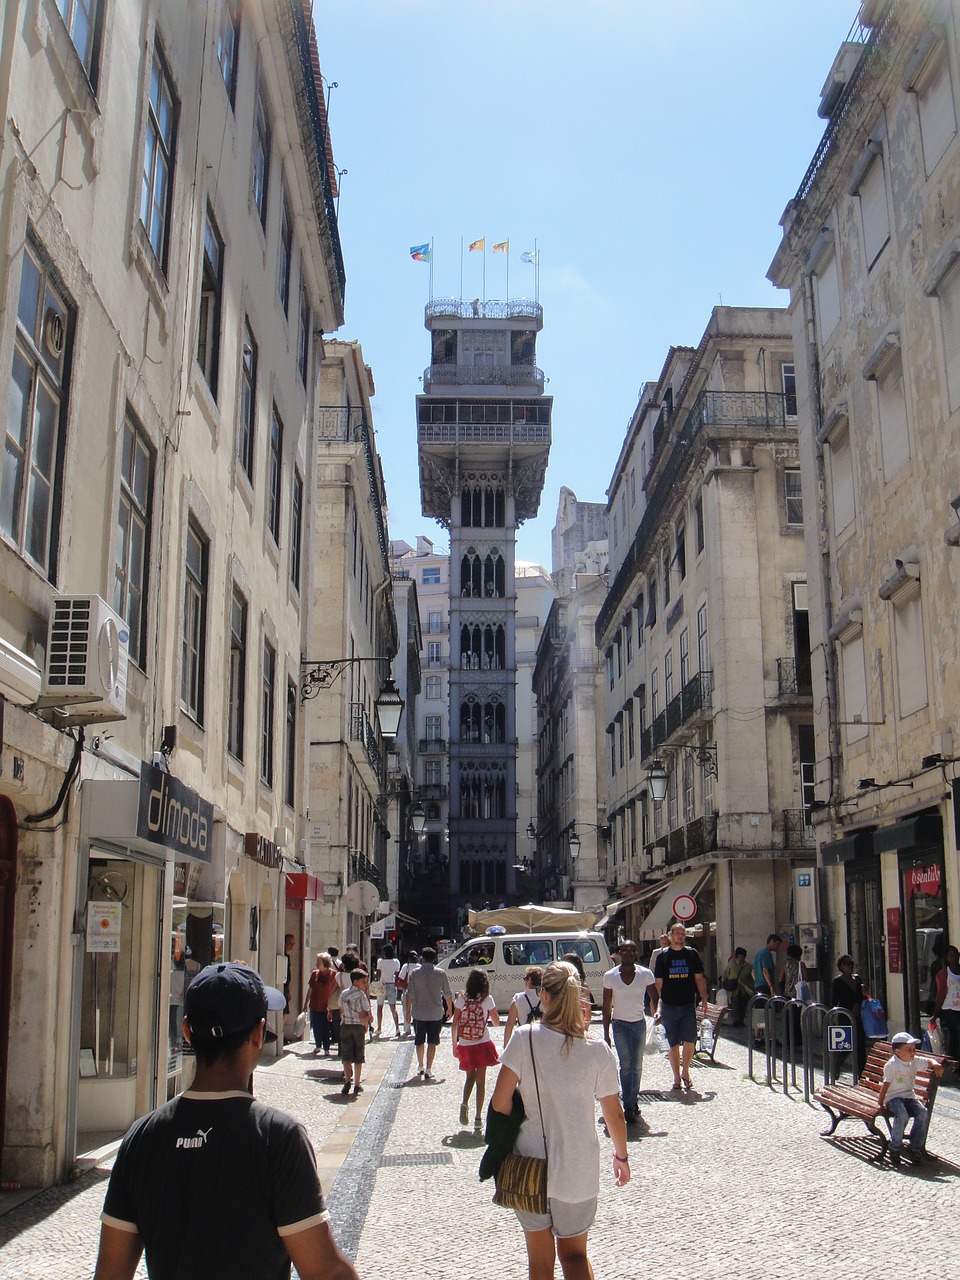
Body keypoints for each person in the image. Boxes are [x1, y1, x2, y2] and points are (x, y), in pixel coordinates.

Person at [93, 961, 359, 1280]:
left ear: (187, 1031)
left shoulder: (142, 1137)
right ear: (259, 1034)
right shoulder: (278, 1138)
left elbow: (110, 1271)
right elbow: (324, 1272)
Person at [491, 962, 629, 1280]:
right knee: (575, 1255)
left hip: (530, 1166)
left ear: (544, 995)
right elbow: (614, 1114)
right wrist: (621, 1156)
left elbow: (499, 1102)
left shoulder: (524, 1039)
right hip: (578, 1169)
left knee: (540, 1263)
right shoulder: (597, 1050)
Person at [602, 940, 657, 1122]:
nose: (627, 952)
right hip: (620, 1025)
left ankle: (632, 1101)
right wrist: (606, 1032)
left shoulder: (645, 974)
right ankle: (628, 1105)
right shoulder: (610, 976)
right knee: (626, 1065)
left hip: (638, 1024)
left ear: (636, 953)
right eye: (624, 949)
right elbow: (606, 1005)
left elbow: (655, 997)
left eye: (631, 950)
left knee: (637, 1066)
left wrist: (657, 1013)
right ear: (618, 953)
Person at [654, 922, 708, 1091]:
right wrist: (656, 1008)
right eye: (677, 933)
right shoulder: (662, 957)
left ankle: (685, 1071)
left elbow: (699, 978)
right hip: (669, 1004)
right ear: (670, 935)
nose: (680, 935)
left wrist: (704, 998)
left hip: (687, 1004)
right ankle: (676, 1077)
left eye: (682, 933)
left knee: (690, 1040)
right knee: (673, 1043)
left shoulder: (692, 955)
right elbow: (658, 984)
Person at [877, 1030, 943, 1164]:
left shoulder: (914, 1061)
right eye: (909, 1049)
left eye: (914, 1049)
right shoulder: (892, 1065)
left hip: (909, 1096)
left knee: (923, 1113)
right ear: (898, 1051)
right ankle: (895, 1147)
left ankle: (915, 1148)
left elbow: (929, 1061)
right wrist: (881, 1102)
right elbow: (886, 1085)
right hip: (893, 1097)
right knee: (902, 1114)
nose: (913, 1052)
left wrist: (935, 1063)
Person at [452, 968, 500, 1129]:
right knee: (481, 1082)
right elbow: (496, 1021)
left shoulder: (462, 999)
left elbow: (454, 1024)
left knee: (469, 1078)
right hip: (482, 1042)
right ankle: (478, 1119)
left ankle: (464, 1103)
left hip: (465, 1044)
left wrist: (454, 1046)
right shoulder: (487, 1000)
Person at [406, 945, 453, 1080]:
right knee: (432, 1041)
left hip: (419, 1012)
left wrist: (408, 1011)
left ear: (422, 959)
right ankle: (428, 1068)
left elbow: (410, 994)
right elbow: (447, 994)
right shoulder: (441, 973)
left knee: (419, 1040)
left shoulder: (414, 974)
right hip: (435, 1013)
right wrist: (449, 1008)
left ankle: (420, 1065)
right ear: (434, 959)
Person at [830, 954, 866, 1076]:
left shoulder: (858, 979)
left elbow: (863, 997)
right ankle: (836, 1066)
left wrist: (865, 993)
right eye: (846, 964)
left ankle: (861, 1074)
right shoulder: (837, 981)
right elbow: (834, 1000)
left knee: (860, 1045)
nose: (850, 966)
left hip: (858, 1016)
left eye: (851, 964)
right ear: (841, 966)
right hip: (845, 1016)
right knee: (846, 1046)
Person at [338, 968, 372, 1096]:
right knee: (358, 1056)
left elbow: (340, 1009)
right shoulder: (361, 995)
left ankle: (347, 1081)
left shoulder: (344, 993)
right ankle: (357, 1084)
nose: (366, 984)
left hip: (346, 1026)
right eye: (364, 981)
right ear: (355, 981)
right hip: (358, 1027)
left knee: (346, 1056)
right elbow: (364, 1013)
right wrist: (367, 1024)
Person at [303, 952, 338, 1056]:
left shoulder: (333, 974)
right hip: (314, 1004)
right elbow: (310, 989)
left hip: (326, 1006)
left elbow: (335, 989)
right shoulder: (315, 973)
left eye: (319, 961)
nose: (317, 963)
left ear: (325, 962)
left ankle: (326, 1047)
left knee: (326, 1027)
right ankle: (318, 1044)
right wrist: (306, 1003)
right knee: (316, 1026)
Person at [752, 933, 782, 1047]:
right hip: (765, 986)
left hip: (758, 985)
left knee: (759, 1011)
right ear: (772, 941)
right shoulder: (766, 954)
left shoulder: (759, 954)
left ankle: (758, 1037)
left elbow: (753, 972)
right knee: (768, 1012)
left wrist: (757, 982)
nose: (777, 947)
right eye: (777, 944)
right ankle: (769, 1038)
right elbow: (765, 970)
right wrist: (771, 986)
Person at [932, 944, 960, 1063]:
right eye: (951, 955)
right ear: (947, 958)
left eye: (956, 954)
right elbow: (941, 994)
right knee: (957, 1036)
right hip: (950, 1010)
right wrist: (935, 1013)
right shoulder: (944, 974)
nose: (954, 957)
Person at [503, 966, 543, 1047]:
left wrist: (506, 1046)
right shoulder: (546, 997)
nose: (524, 981)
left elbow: (509, 1025)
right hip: (541, 1039)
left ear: (530, 980)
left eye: (525, 978)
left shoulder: (518, 998)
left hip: (524, 1039)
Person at [374, 944, 402, 1039]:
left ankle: (379, 1028)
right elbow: (397, 974)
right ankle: (397, 1028)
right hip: (391, 984)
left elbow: (378, 974)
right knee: (393, 1008)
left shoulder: (380, 962)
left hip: (382, 984)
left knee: (379, 1007)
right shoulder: (396, 962)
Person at [561, 951, 594, 1029]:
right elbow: (587, 1008)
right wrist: (586, 1025)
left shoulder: (560, 984)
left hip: (570, 1022)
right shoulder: (583, 985)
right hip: (576, 1022)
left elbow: (587, 1007)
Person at [718, 947, 750, 1026]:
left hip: (744, 989)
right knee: (735, 1004)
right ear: (736, 957)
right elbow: (726, 974)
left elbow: (750, 977)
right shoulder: (732, 964)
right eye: (739, 957)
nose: (741, 959)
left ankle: (741, 1021)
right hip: (734, 988)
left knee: (743, 1005)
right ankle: (736, 1021)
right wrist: (724, 983)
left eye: (743, 957)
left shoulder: (748, 967)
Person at [398, 950, 419, 1036]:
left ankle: (407, 1029)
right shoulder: (419, 966)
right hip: (418, 990)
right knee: (417, 1010)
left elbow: (401, 977)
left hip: (407, 989)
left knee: (406, 1009)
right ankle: (417, 1028)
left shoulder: (406, 966)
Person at [327, 946, 343, 1048]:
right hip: (337, 991)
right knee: (336, 1015)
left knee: (332, 1015)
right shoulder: (340, 963)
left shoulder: (329, 963)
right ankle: (336, 1035)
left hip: (332, 991)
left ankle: (334, 1035)